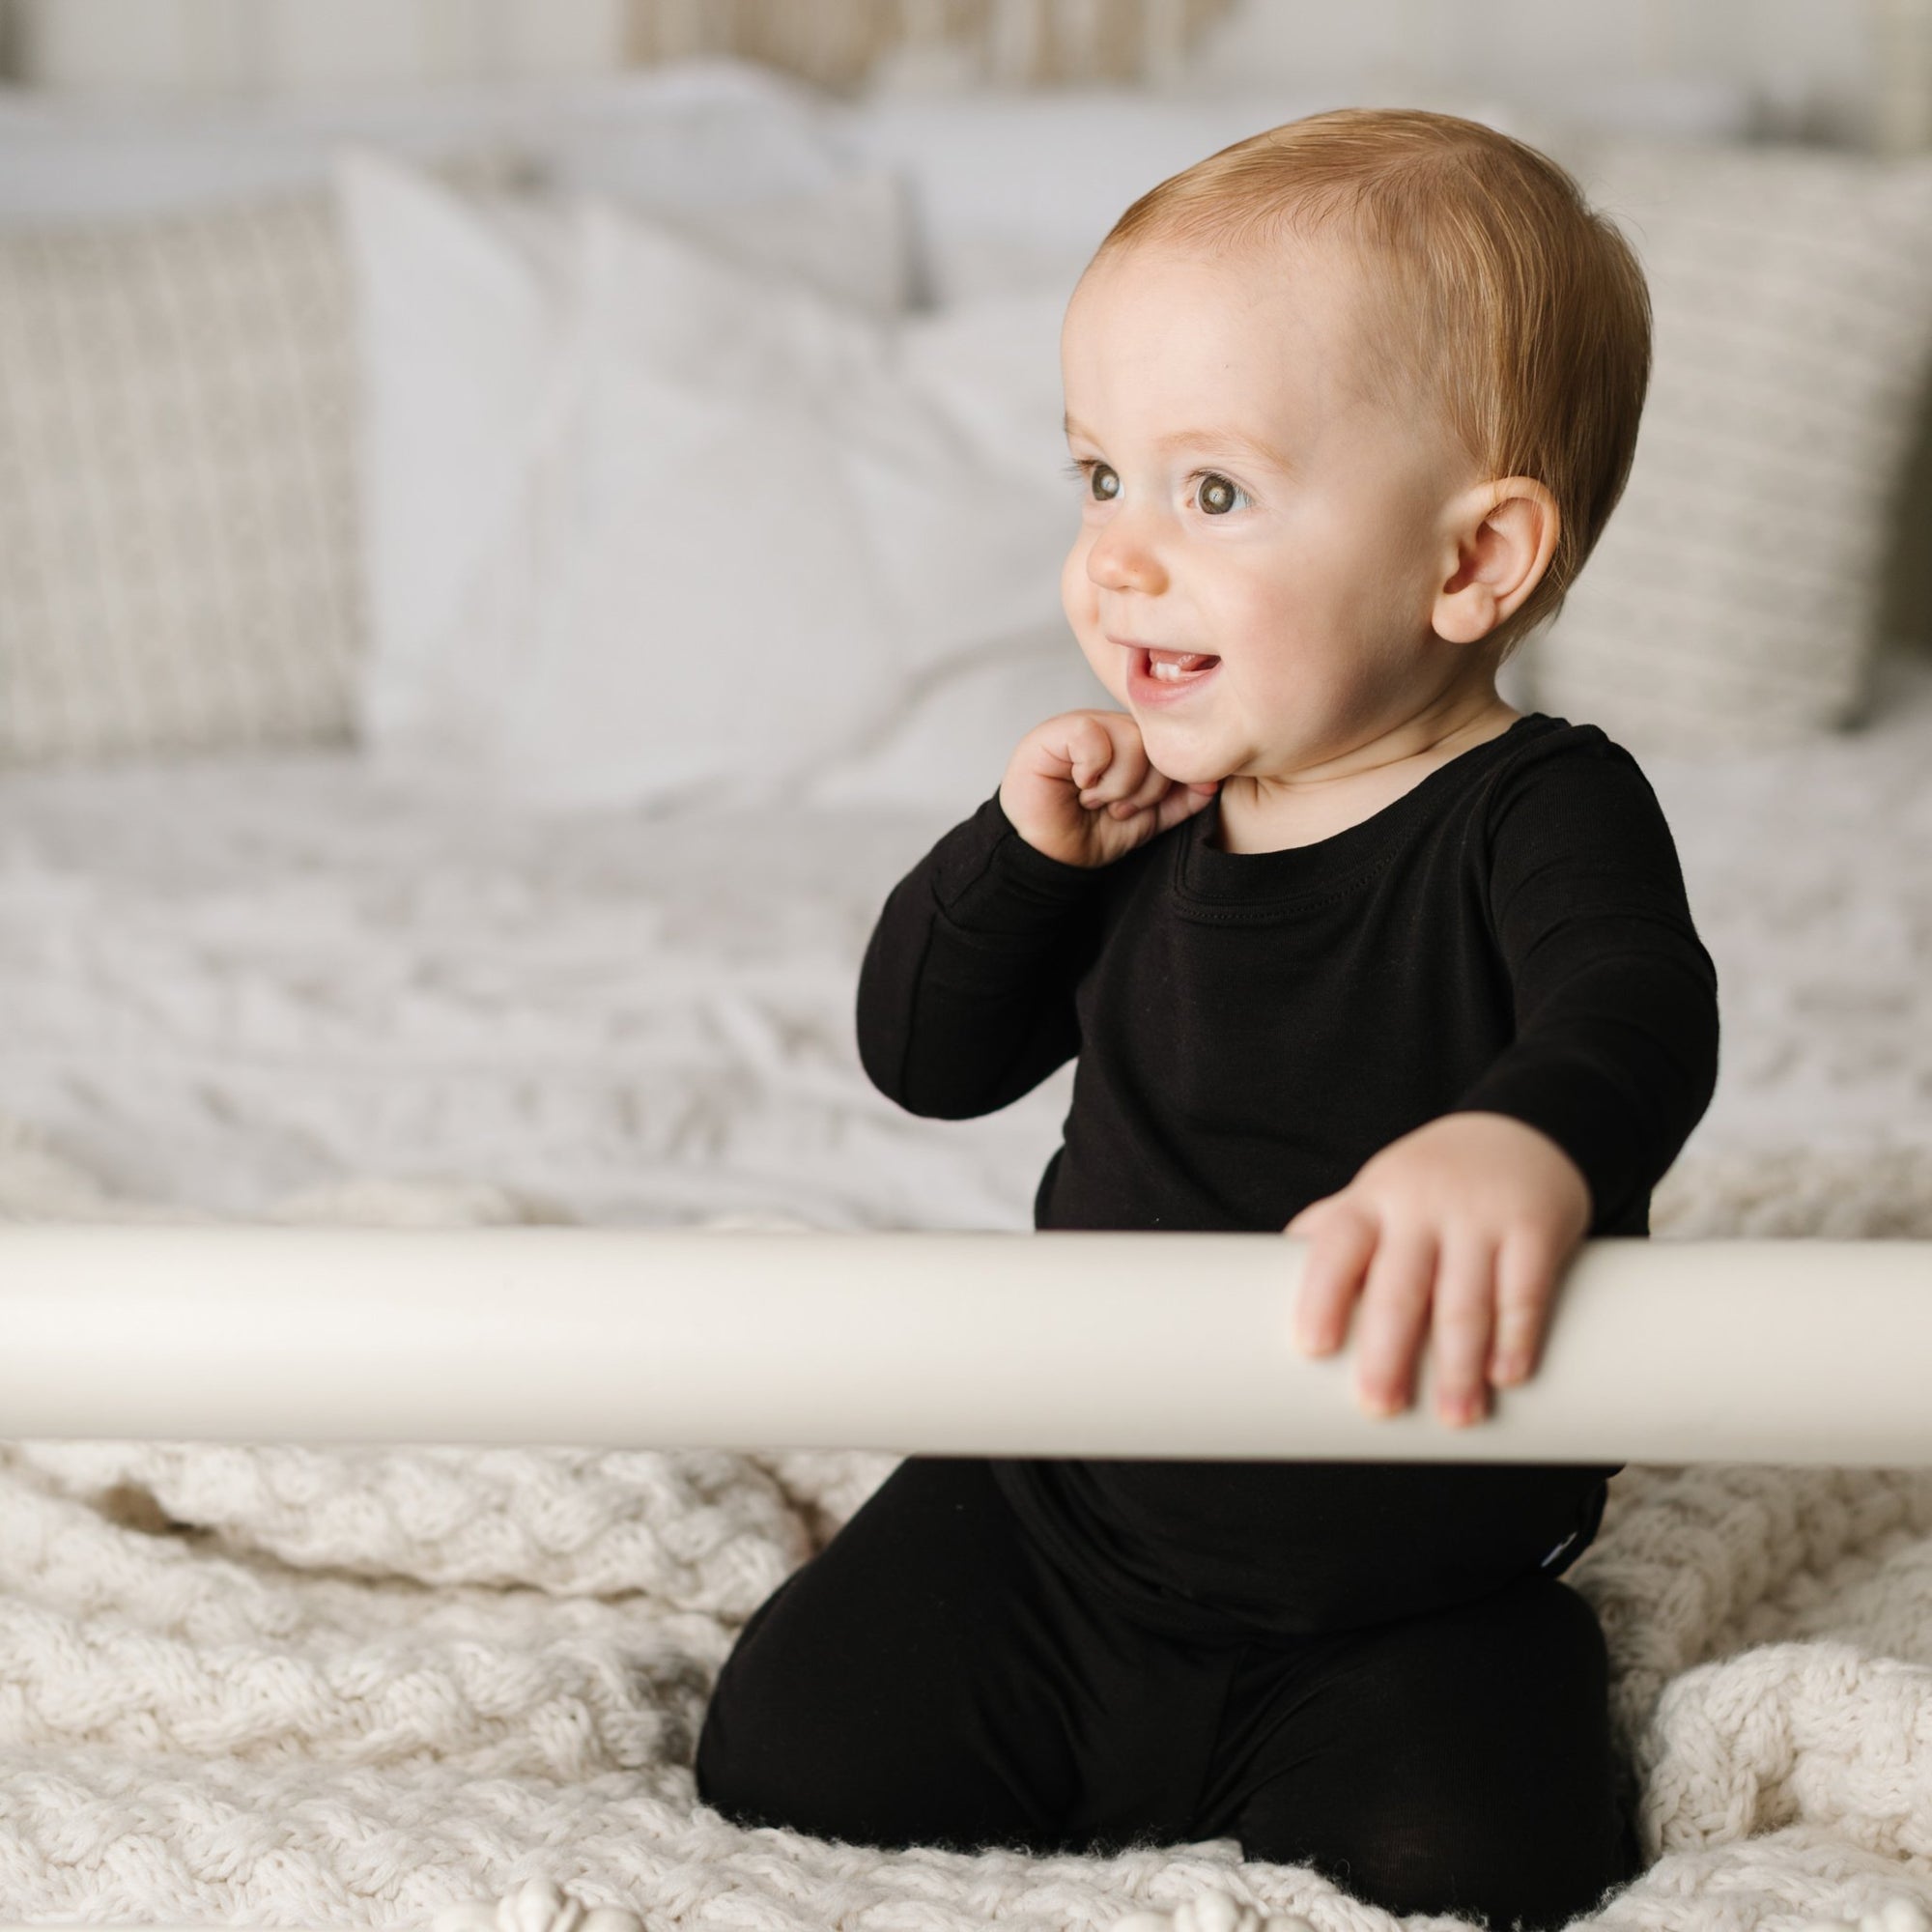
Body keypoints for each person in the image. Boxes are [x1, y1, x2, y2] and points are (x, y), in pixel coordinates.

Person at [695, 106, 1720, 1932]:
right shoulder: (1149, 804)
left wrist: (1523, 1138)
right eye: (1099, 479)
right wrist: (1017, 859)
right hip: (1067, 1517)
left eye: (1213, 491)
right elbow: (922, 1062)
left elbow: (1638, 1007)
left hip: (1410, 1578)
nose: (1122, 557)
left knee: (1484, 1864)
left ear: (1472, 562)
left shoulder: (1540, 811)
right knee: (789, 1758)